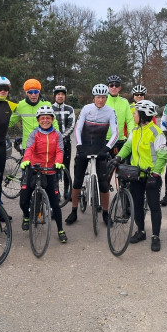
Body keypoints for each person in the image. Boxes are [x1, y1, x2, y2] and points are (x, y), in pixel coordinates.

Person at [112, 100, 167, 252]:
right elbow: (128, 146)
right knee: (137, 204)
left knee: (154, 206)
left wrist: (155, 174)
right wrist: (118, 157)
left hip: (152, 175)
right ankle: (141, 231)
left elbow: (162, 156)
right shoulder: (135, 130)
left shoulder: (156, 132)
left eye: (135, 113)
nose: (133, 115)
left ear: (143, 115)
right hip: (136, 174)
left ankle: (155, 236)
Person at [65, 84, 118, 226]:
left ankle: (105, 214)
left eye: (103, 97)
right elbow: (78, 129)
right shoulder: (86, 109)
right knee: (77, 181)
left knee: (104, 184)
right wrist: (79, 147)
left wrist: (106, 149)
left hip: (100, 149)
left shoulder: (110, 111)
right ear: (93, 98)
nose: (100, 100)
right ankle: (74, 211)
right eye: (98, 97)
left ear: (106, 98)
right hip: (84, 148)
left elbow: (115, 133)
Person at [19, 106, 67, 242]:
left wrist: (58, 162)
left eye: (48, 118)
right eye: (42, 118)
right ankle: (26, 216)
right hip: (34, 169)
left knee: (55, 204)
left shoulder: (57, 135)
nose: (45, 120)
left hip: (50, 170)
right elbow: (29, 148)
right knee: (23, 200)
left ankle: (60, 230)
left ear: (52, 119)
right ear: (38, 120)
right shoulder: (34, 134)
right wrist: (26, 160)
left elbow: (59, 151)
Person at [8, 78, 58, 150]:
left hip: (44, 145)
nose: (33, 95)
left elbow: (54, 123)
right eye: (30, 92)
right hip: (28, 146)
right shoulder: (21, 105)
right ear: (26, 93)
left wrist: (57, 139)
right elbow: (10, 122)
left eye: (36, 92)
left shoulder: (46, 104)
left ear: (39, 92)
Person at [52, 85, 75, 197]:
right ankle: (56, 191)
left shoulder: (69, 109)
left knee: (66, 167)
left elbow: (71, 126)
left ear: (65, 96)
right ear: (55, 96)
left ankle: (67, 190)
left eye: (62, 94)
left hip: (66, 143)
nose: (60, 96)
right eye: (58, 94)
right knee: (54, 167)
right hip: (53, 143)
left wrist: (61, 137)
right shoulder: (50, 108)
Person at [105, 75, 134, 156]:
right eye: (111, 85)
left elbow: (130, 120)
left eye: (116, 85)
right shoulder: (103, 101)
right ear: (108, 87)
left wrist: (131, 135)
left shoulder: (124, 102)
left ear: (119, 88)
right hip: (105, 139)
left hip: (120, 139)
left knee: (121, 163)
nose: (114, 87)